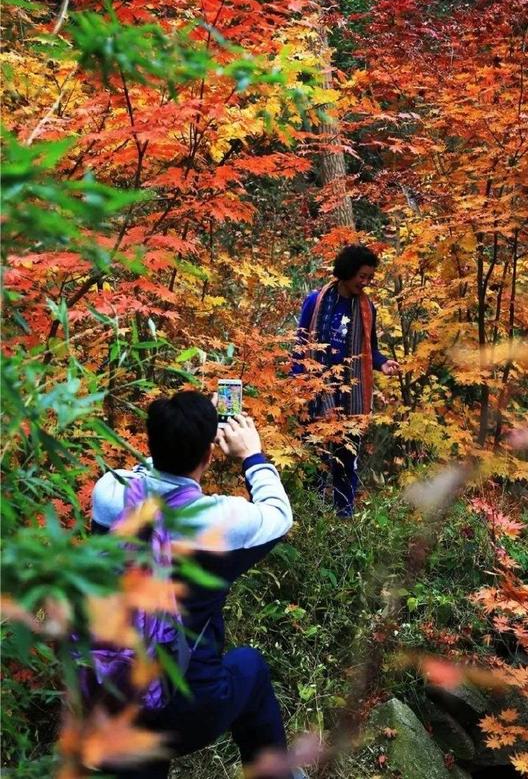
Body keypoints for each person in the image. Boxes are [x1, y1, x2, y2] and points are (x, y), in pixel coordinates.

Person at [91, 391, 295, 778]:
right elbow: (279, 514)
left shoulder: (108, 495)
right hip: (188, 709)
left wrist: (176, 434)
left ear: (152, 442)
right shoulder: (222, 522)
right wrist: (251, 454)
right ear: (207, 454)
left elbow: (142, 474)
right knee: (249, 667)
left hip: (114, 698)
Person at [292, 244, 400, 517]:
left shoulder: (366, 309)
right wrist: (297, 385)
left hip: (350, 397)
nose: (365, 283)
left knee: (346, 459)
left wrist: (382, 362)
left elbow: (369, 348)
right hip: (315, 392)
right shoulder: (316, 301)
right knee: (314, 459)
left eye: (369, 278)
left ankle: (343, 518)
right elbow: (301, 345)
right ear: (347, 272)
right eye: (361, 276)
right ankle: (312, 517)